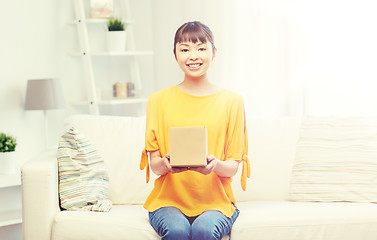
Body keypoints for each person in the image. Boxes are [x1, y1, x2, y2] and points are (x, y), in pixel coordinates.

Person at [140, 21, 250, 240]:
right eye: (184, 49)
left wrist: (215, 165)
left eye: (201, 48)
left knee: (204, 230)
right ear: (175, 54)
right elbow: (155, 166)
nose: (193, 56)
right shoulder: (158, 101)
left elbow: (232, 168)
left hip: (216, 202)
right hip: (167, 202)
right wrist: (166, 164)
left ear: (214, 52)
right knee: (178, 230)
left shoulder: (232, 101)